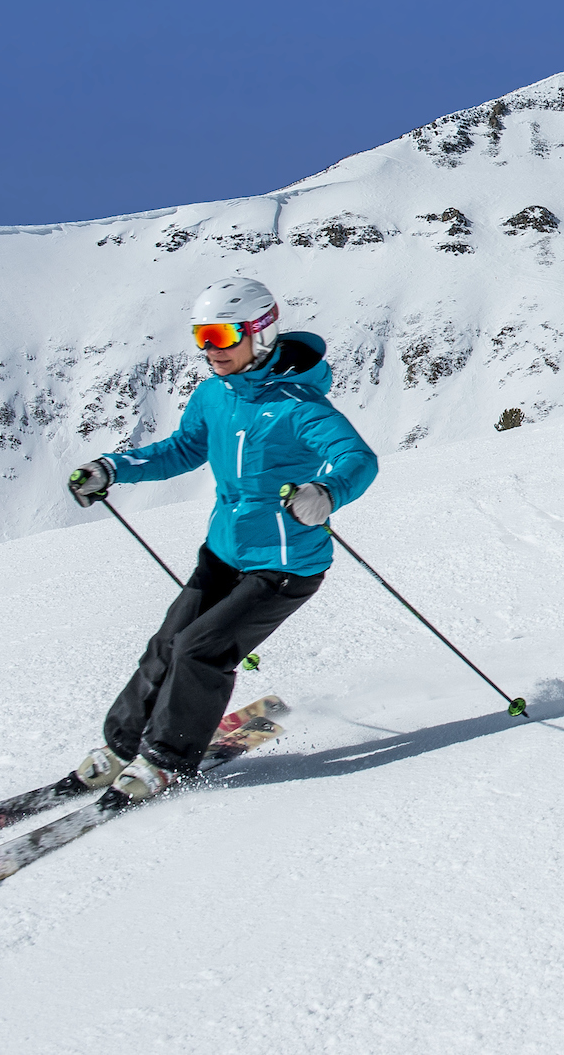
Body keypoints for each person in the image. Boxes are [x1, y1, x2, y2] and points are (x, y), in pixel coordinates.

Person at [65, 277, 377, 802]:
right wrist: (112, 468)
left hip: (284, 566)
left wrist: (326, 491)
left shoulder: (299, 405)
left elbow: (357, 459)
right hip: (223, 553)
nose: (209, 349)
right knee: (165, 645)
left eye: (222, 335)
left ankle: (167, 760)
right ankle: (123, 746)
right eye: (202, 335)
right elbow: (182, 449)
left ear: (260, 333)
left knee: (198, 651)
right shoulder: (214, 394)